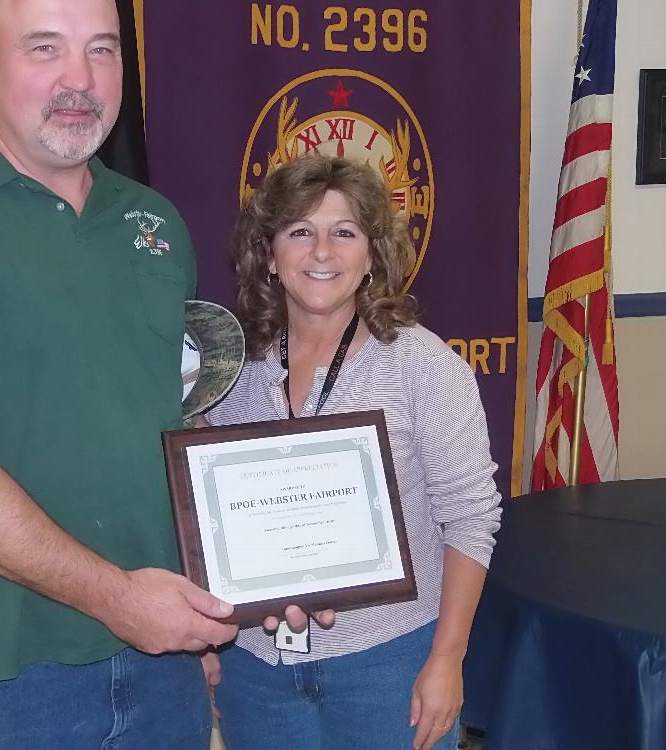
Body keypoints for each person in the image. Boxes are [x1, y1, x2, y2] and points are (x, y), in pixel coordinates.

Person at [0, 0, 238, 747]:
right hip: (6, 677)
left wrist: (211, 600)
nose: (79, 79)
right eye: (45, 49)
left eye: (102, 50)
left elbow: (169, 432)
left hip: (162, 659)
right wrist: (122, 600)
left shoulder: (154, 224)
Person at [203, 153, 503, 750]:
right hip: (257, 670)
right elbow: (209, 520)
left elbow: (471, 519)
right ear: (268, 254)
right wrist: (211, 640)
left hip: (388, 664)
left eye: (344, 232)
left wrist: (448, 659)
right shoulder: (232, 370)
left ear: (372, 256)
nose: (322, 252)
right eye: (299, 232)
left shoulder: (422, 367)